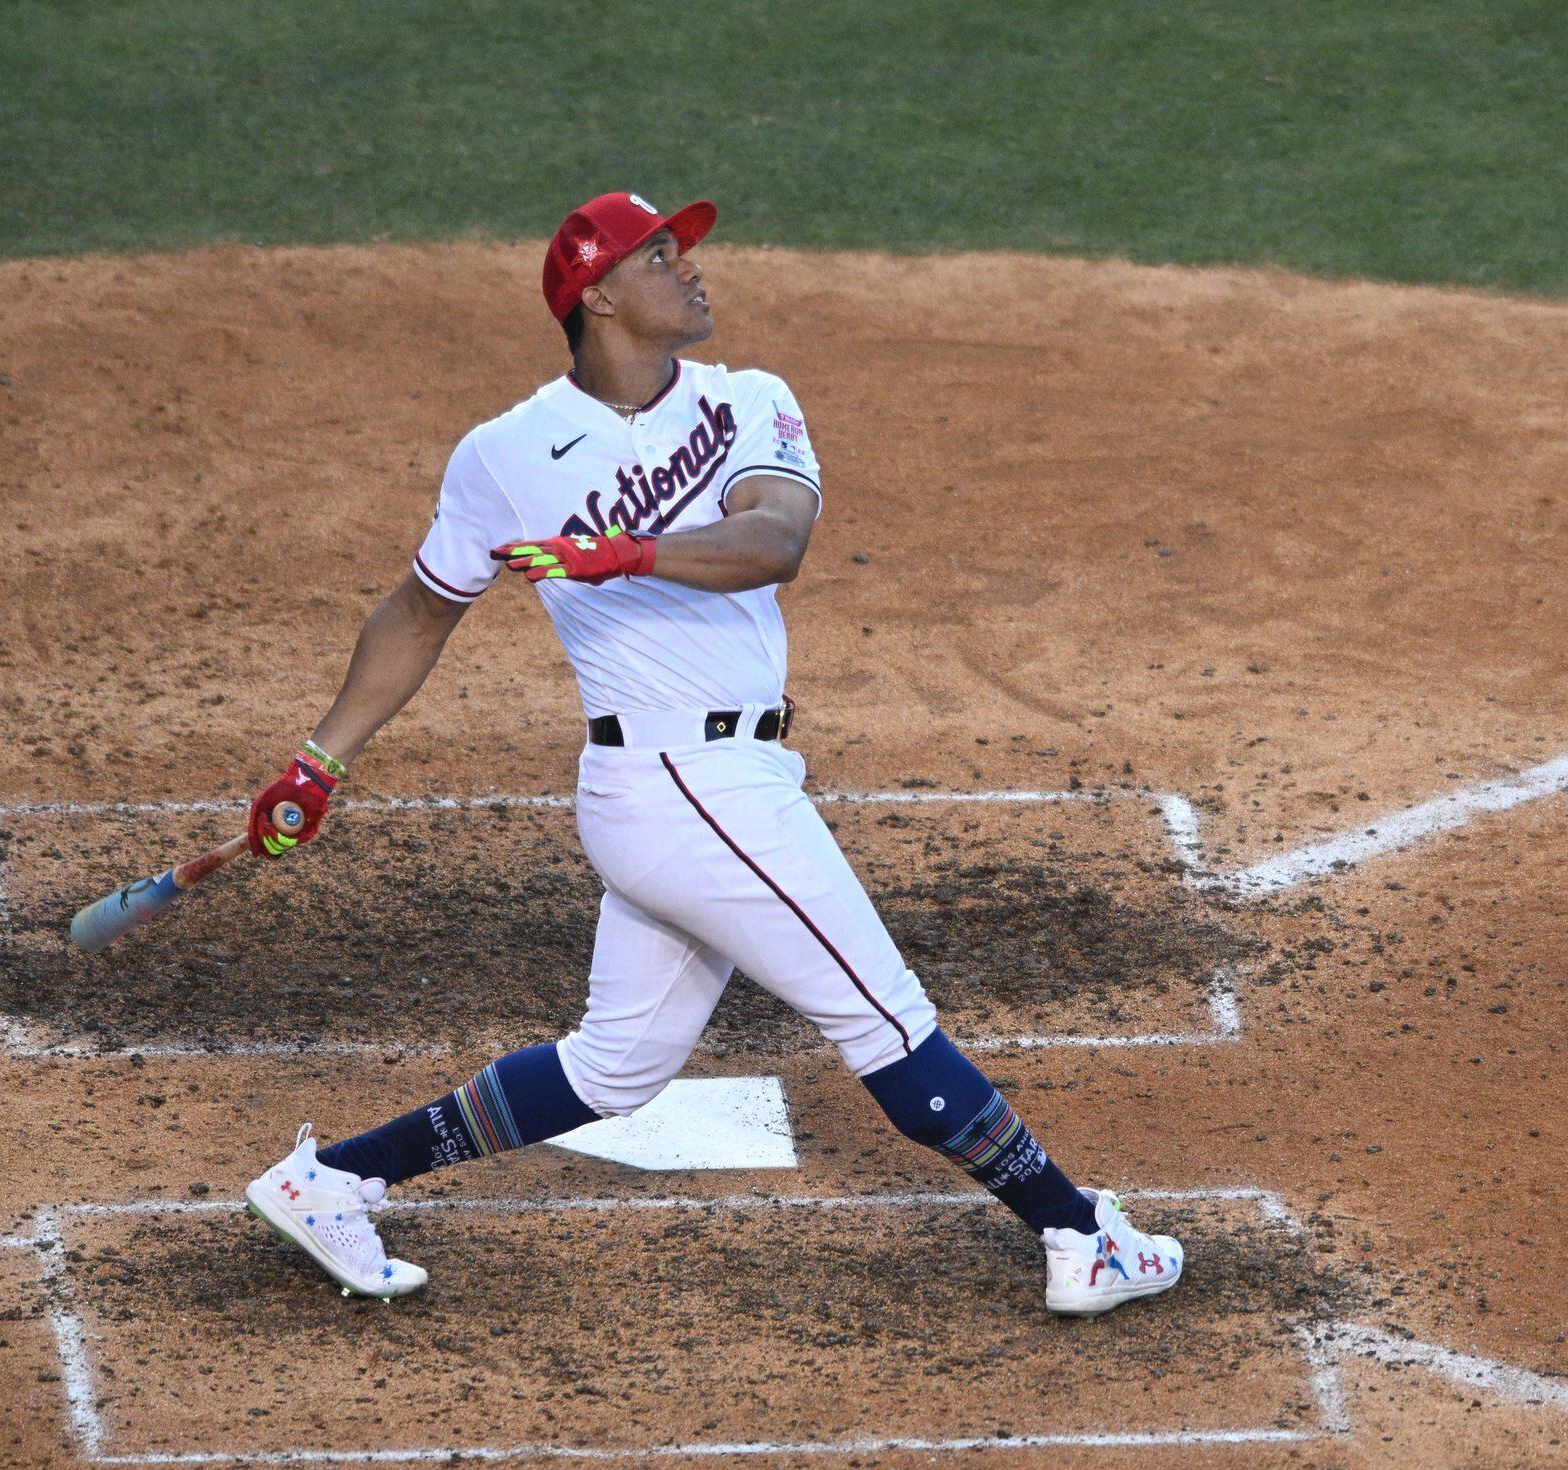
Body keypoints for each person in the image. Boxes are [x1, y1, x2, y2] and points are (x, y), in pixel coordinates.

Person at [239, 190, 1183, 1317]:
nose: (690, 268)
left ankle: (331, 1177)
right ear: (595, 295)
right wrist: (318, 761)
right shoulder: (501, 455)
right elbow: (420, 610)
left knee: (616, 1066)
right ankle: (1080, 1238)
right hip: (682, 787)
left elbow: (774, 540)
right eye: (659, 254)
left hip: (715, 782)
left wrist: (626, 553)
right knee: (882, 1018)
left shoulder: (750, 403)